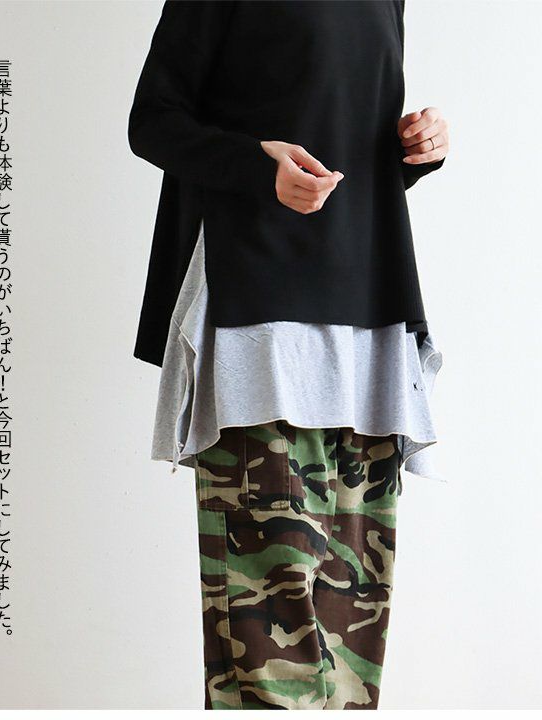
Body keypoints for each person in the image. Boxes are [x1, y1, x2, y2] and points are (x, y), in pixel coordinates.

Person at [128, 0, 448, 710]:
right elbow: (152, 120)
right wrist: (255, 164)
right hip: (256, 312)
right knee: (271, 647)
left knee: (351, 646)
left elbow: (344, 141)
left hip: (367, 319)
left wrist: (416, 149)